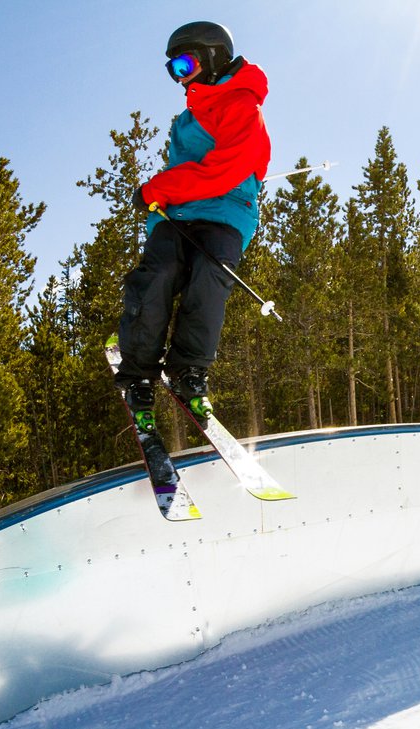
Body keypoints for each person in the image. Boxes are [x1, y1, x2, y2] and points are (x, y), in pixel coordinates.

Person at [114, 21, 271, 438]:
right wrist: (159, 197)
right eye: (174, 69)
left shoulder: (243, 107)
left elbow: (223, 172)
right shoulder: (185, 120)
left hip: (225, 214)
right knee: (158, 274)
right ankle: (139, 371)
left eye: (185, 64)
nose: (180, 77)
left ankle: (188, 369)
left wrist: (155, 188)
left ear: (215, 57)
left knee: (209, 276)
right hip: (178, 215)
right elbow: (183, 171)